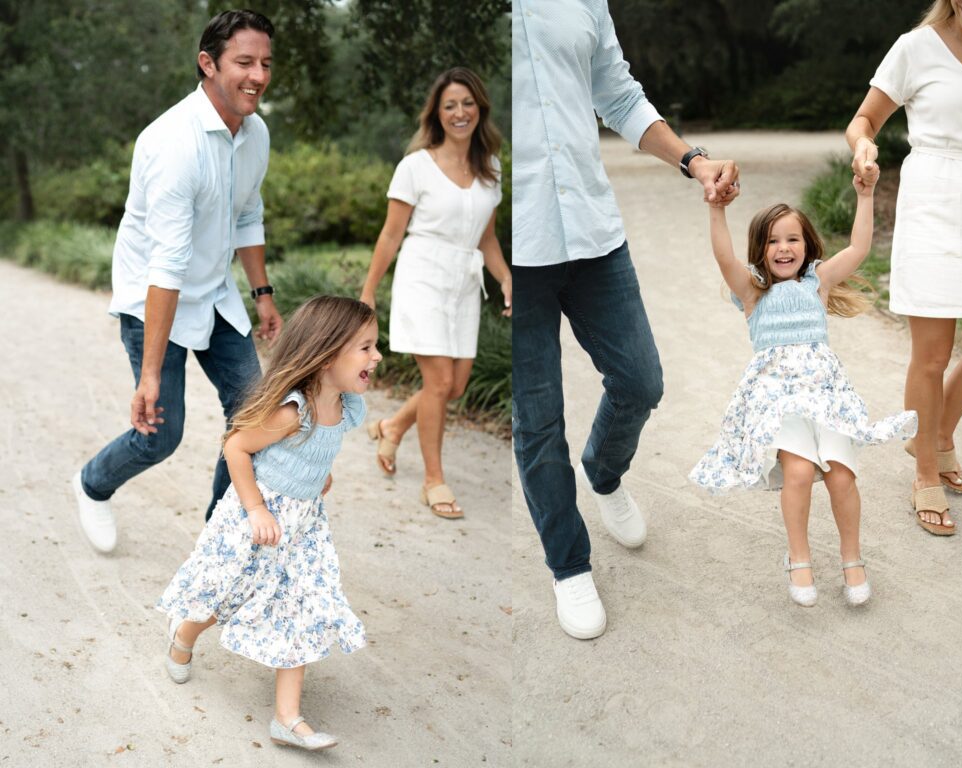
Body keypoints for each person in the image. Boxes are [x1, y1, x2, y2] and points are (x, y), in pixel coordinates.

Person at [512, 0, 740, 639]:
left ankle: (604, 473)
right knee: (537, 420)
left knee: (641, 380)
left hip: (590, 230)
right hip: (513, 247)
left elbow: (617, 94)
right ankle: (569, 564)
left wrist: (695, 161)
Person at [70, 9, 283, 552]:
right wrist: (148, 377)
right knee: (160, 436)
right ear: (208, 63)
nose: (257, 75)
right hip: (153, 299)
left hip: (214, 294)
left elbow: (247, 214)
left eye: (265, 63)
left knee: (255, 418)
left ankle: (220, 537)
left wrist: (262, 295)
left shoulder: (255, 132)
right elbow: (165, 267)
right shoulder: (173, 144)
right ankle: (92, 484)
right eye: (243, 62)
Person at [156, 295, 379, 751]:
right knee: (228, 596)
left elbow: (318, 452)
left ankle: (287, 718)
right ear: (326, 354)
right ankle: (184, 633)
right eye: (366, 348)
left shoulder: (344, 406)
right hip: (256, 518)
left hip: (302, 526)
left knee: (299, 606)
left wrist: (320, 475)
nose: (377, 357)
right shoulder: (290, 411)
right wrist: (257, 509)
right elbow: (236, 447)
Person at [689, 169, 917, 606]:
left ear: (806, 245)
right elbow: (723, 259)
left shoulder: (818, 282)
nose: (783, 248)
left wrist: (864, 195)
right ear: (760, 251)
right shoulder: (753, 293)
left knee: (841, 476)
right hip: (780, 402)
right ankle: (799, 558)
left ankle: (852, 559)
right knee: (796, 473)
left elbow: (859, 248)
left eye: (792, 239)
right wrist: (717, 209)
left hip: (826, 396)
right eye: (773, 241)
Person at [847, 0, 962, 535]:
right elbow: (864, 120)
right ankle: (926, 469)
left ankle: (935, 432)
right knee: (932, 355)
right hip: (934, 210)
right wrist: (864, 149)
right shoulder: (915, 47)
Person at [360, 67, 510, 520]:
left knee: (454, 386)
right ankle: (433, 481)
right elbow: (390, 236)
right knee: (439, 383)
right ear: (437, 114)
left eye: (467, 103)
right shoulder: (416, 166)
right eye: (450, 105)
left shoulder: (491, 168)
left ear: (479, 108)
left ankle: (392, 424)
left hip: (464, 282)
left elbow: (486, 239)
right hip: (422, 275)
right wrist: (368, 292)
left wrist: (505, 278)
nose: (459, 112)